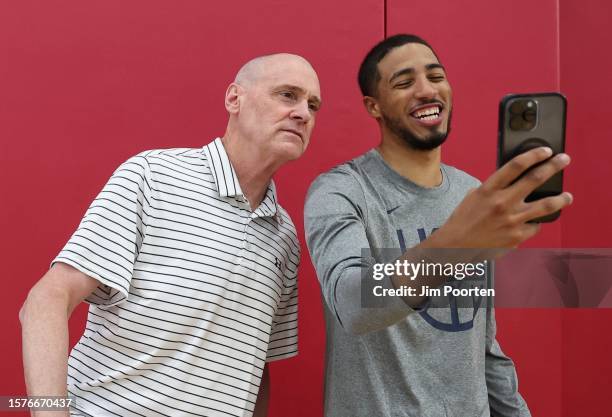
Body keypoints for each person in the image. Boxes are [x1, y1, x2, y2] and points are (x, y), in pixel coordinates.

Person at [20, 53, 322, 417]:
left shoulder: (283, 236)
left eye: (313, 104)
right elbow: (46, 300)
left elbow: (254, 368)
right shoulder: (152, 177)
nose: (303, 113)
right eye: (287, 95)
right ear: (234, 99)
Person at [304, 34, 572, 417]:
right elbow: (353, 303)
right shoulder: (341, 190)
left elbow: (481, 345)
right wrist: (453, 243)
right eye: (404, 82)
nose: (426, 90)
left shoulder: (471, 194)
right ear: (373, 106)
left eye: (436, 76)